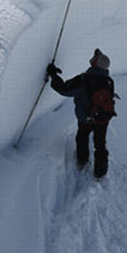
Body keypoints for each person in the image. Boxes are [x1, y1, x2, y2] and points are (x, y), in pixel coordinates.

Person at [47, 49, 115, 179]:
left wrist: (53, 75)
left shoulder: (85, 79)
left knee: (82, 137)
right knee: (100, 144)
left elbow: (64, 89)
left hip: (86, 118)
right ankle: (100, 173)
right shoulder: (109, 81)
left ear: (94, 64)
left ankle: (82, 161)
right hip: (103, 119)